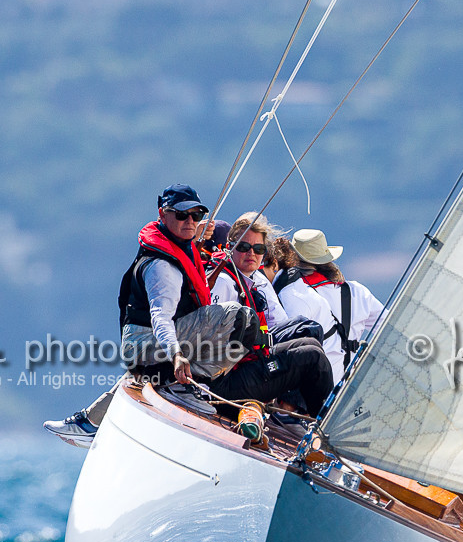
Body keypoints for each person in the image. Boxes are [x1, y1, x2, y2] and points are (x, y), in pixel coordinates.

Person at [44, 184, 259, 446]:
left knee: (239, 323)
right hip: (146, 342)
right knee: (239, 318)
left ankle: (89, 422)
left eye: (196, 215)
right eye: (182, 215)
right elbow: (161, 317)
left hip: (147, 342)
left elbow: (188, 239)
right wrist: (177, 355)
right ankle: (182, 386)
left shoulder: (180, 244)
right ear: (162, 214)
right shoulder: (162, 266)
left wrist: (196, 231)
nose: (190, 221)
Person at [203, 212, 335, 415]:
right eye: (244, 247)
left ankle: (298, 411)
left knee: (309, 334)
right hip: (223, 385)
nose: (251, 254)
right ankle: (322, 428)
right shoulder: (223, 283)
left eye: (258, 249)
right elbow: (209, 344)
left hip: (245, 361)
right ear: (230, 248)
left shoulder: (249, 278)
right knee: (311, 356)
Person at [272, 229, 384, 383]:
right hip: (353, 388)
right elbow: (391, 328)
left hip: (315, 391)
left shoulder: (294, 295)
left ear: (292, 258)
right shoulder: (357, 291)